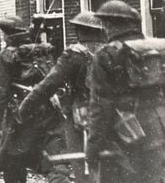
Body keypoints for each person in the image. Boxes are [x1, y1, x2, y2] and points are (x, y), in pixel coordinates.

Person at [86, 0, 165, 183]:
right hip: (162, 120)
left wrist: (92, 147)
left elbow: (100, 106)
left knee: (132, 175)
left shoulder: (105, 55)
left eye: (104, 24)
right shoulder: (157, 48)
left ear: (109, 25)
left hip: (128, 127)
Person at [19, 11, 106, 183]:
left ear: (79, 31)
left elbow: (48, 85)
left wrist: (25, 107)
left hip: (82, 118)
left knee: (84, 167)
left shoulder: (75, 54)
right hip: (113, 116)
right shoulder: (113, 51)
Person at [0, 15, 69, 183]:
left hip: (20, 114)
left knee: (12, 161)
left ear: (7, 35)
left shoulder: (5, 56)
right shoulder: (43, 51)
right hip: (48, 111)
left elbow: (0, 94)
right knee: (54, 160)